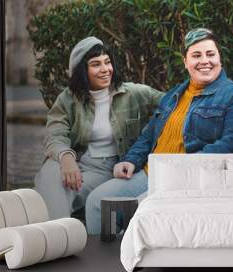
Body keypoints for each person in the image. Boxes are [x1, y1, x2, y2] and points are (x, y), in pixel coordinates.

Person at [85, 28, 233, 234]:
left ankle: (129, 264)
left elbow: (229, 146)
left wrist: (178, 168)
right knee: (96, 202)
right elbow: (149, 135)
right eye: (196, 55)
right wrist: (131, 159)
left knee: (142, 211)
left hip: (187, 179)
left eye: (210, 54)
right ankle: (103, 263)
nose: (205, 61)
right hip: (152, 173)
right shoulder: (174, 95)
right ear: (186, 62)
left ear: (219, 58)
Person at [35, 36, 164, 220]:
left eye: (107, 62)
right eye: (96, 64)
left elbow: (171, 103)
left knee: (56, 191)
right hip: (78, 162)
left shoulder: (133, 94)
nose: (105, 70)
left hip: (107, 169)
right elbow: (55, 133)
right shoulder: (68, 99)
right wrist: (66, 157)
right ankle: (60, 234)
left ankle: (58, 234)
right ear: (82, 70)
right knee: (49, 173)